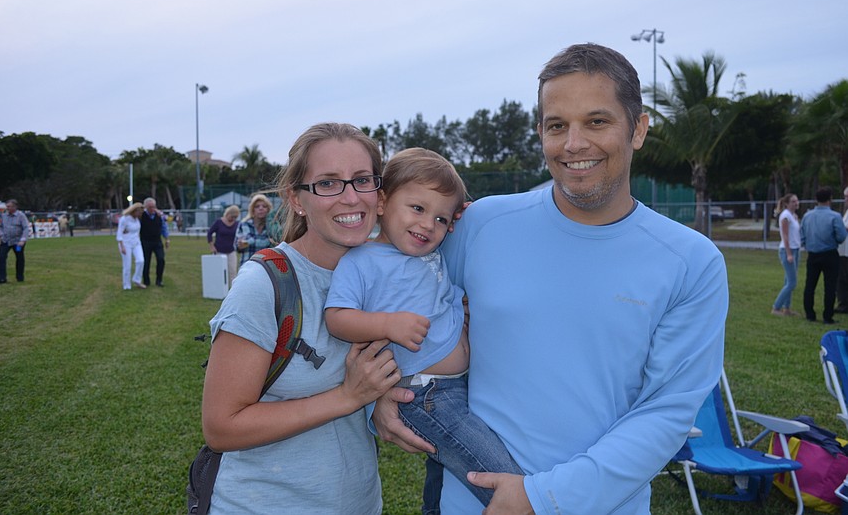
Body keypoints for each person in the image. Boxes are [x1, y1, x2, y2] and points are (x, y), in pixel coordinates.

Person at [373, 43, 729, 514]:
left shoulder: (692, 261)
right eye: (556, 125)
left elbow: (665, 413)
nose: (574, 144)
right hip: (468, 500)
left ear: (638, 129)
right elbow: (387, 295)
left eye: (597, 121)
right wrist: (379, 393)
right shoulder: (479, 226)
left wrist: (543, 497)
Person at [201, 122, 403, 514]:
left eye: (362, 180)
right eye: (328, 183)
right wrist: (347, 397)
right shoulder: (265, 284)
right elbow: (221, 427)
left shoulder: (385, 277)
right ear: (296, 198)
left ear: (379, 193)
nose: (350, 198)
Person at [325, 148, 522, 510]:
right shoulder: (361, 261)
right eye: (417, 209)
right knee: (495, 474)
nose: (429, 225)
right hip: (426, 396)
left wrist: (461, 212)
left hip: (460, 386)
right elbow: (337, 317)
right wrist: (386, 324)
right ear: (382, 202)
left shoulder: (432, 253)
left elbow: (457, 218)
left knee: (453, 476)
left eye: (441, 220)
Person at [800, 186, 847, 324]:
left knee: (810, 285)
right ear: (830, 199)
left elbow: (802, 236)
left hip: (813, 254)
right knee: (830, 286)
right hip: (830, 254)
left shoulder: (807, 216)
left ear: (816, 199)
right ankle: (827, 316)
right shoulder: (835, 216)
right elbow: (842, 236)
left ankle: (810, 314)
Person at [772, 193, 801, 316]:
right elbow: (785, 235)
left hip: (796, 249)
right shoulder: (785, 216)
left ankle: (786, 308)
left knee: (788, 281)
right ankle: (776, 307)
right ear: (787, 204)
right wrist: (789, 254)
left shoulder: (793, 216)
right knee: (792, 283)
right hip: (787, 250)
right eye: (793, 201)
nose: (796, 203)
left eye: (797, 201)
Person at [207, 205, 241, 286]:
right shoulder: (219, 222)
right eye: (232, 216)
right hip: (219, 250)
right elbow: (209, 233)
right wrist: (212, 246)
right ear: (228, 213)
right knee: (219, 271)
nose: (233, 219)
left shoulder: (237, 224)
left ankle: (233, 290)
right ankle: (219, 289)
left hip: (231, 251)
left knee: (233, 271)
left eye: (235, 217)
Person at [0, 199, 31, 284]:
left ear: (15, 207)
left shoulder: (21, 216)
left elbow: (26, 228)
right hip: (6, 241)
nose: (7, 208)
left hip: (18, 242)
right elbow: (1, 226)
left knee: (19, 258)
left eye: (9, 206)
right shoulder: (3, 215)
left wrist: (23, 240)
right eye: (7, 206)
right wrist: (1, 235)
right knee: (1, 258)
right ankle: (1, 278)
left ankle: (20, 277)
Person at [140, 197, 170, 287]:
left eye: (153, 207)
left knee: (161, 259)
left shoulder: (159, 216)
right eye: (150, 207)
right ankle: (146, 280)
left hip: (157, 241)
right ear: (145, 207)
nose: (152, 209)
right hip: (145, 241)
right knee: (146, 261)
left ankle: (159, 280)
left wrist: (167, 238)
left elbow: (164, 227)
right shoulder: (141, 216)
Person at [236, 194, 273, 265]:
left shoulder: (272, 226)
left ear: (268, 209)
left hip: (266, 267)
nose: (261, 208)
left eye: (264, 206)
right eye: (257, 206)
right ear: (252, 210)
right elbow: (236, 246)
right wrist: (240, 245)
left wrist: (249, 242)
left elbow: (273, 245)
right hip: (247, 266)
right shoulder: (244, 224)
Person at [116, 202, 146, 290]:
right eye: (139, 213)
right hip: (125, 244)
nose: (140, 215)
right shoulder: (124, 219)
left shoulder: (136, 220)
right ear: (134, 211)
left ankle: (136, 279)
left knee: (141, 260)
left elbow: (136, 232)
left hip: (136, 243)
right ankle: (126, 285)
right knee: (127, 265)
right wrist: (122, 246)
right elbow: (119, 233)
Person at [835, 186, 848, 314]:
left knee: (843, 278)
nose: (845, 200)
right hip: (843, 251)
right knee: (842, 278)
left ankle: (844, 304)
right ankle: (843, 303)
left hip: (846, 252)